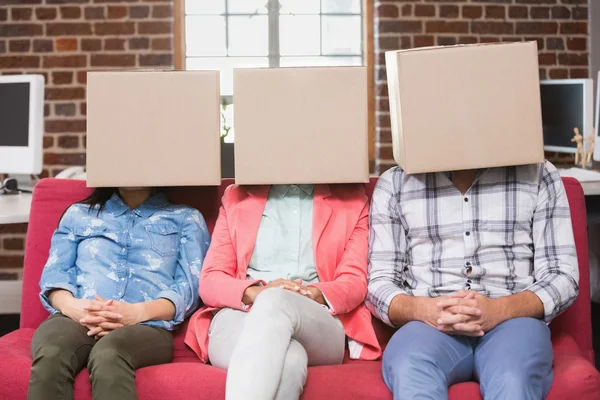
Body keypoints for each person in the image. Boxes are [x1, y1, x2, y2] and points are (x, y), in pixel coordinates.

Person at [367, 162, 579, 400]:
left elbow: (562, 275)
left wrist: (498, 310)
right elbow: (379, 284)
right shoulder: (395, 182)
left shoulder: (540, 173)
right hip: (429, 325)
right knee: (410, 367)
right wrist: (423, 309)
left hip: (513, 322)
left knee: (513, 378)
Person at [185, 183, 381, 400]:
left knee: (277, 300)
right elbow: (211, 280)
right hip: (239, 317)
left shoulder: (352, 200)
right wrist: (256, 292)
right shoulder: (236, 197)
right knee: (290, 361)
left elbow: (354, 282)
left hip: (316, 317)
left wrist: (307, 293)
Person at [28, 187, 210, 400]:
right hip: (75, 317)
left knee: (108, 355)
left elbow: (190, 287)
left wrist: (137, 313)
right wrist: (71, 306)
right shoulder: (78, 214)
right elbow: (54, 274)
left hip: (146, 326)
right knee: (51, 351)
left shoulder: (186, 218)